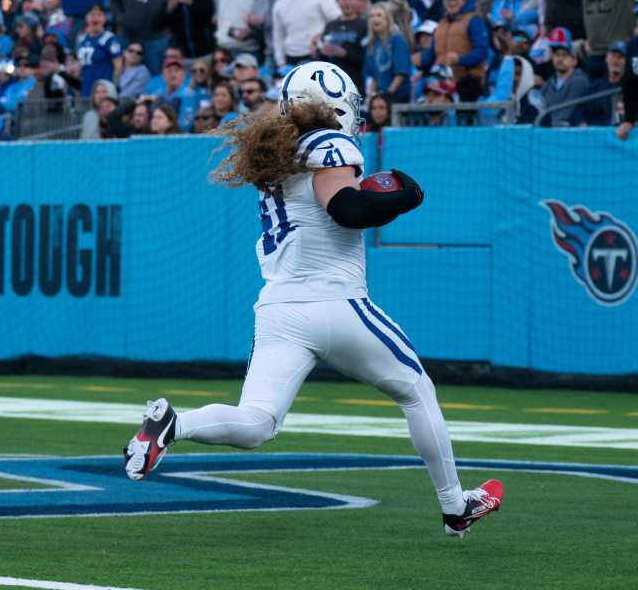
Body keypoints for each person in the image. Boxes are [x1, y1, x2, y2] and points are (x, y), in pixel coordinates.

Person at [122, 61, 504, 539]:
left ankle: (174, 425)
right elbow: (346, 209)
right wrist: (406, 196)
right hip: (335, 301)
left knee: (257, 422)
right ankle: (454, 505)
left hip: (279, 308)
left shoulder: (278, 155)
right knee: (416, 389)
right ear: (335, 105)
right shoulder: (329, 143)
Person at [538, 32, 591, 127]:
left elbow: (567, 114)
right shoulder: (549, 83)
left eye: (564, 55)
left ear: (574, 61)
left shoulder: (580, 81)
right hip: (547, 132)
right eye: (557, 55)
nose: (560, 59)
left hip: (569, 132)